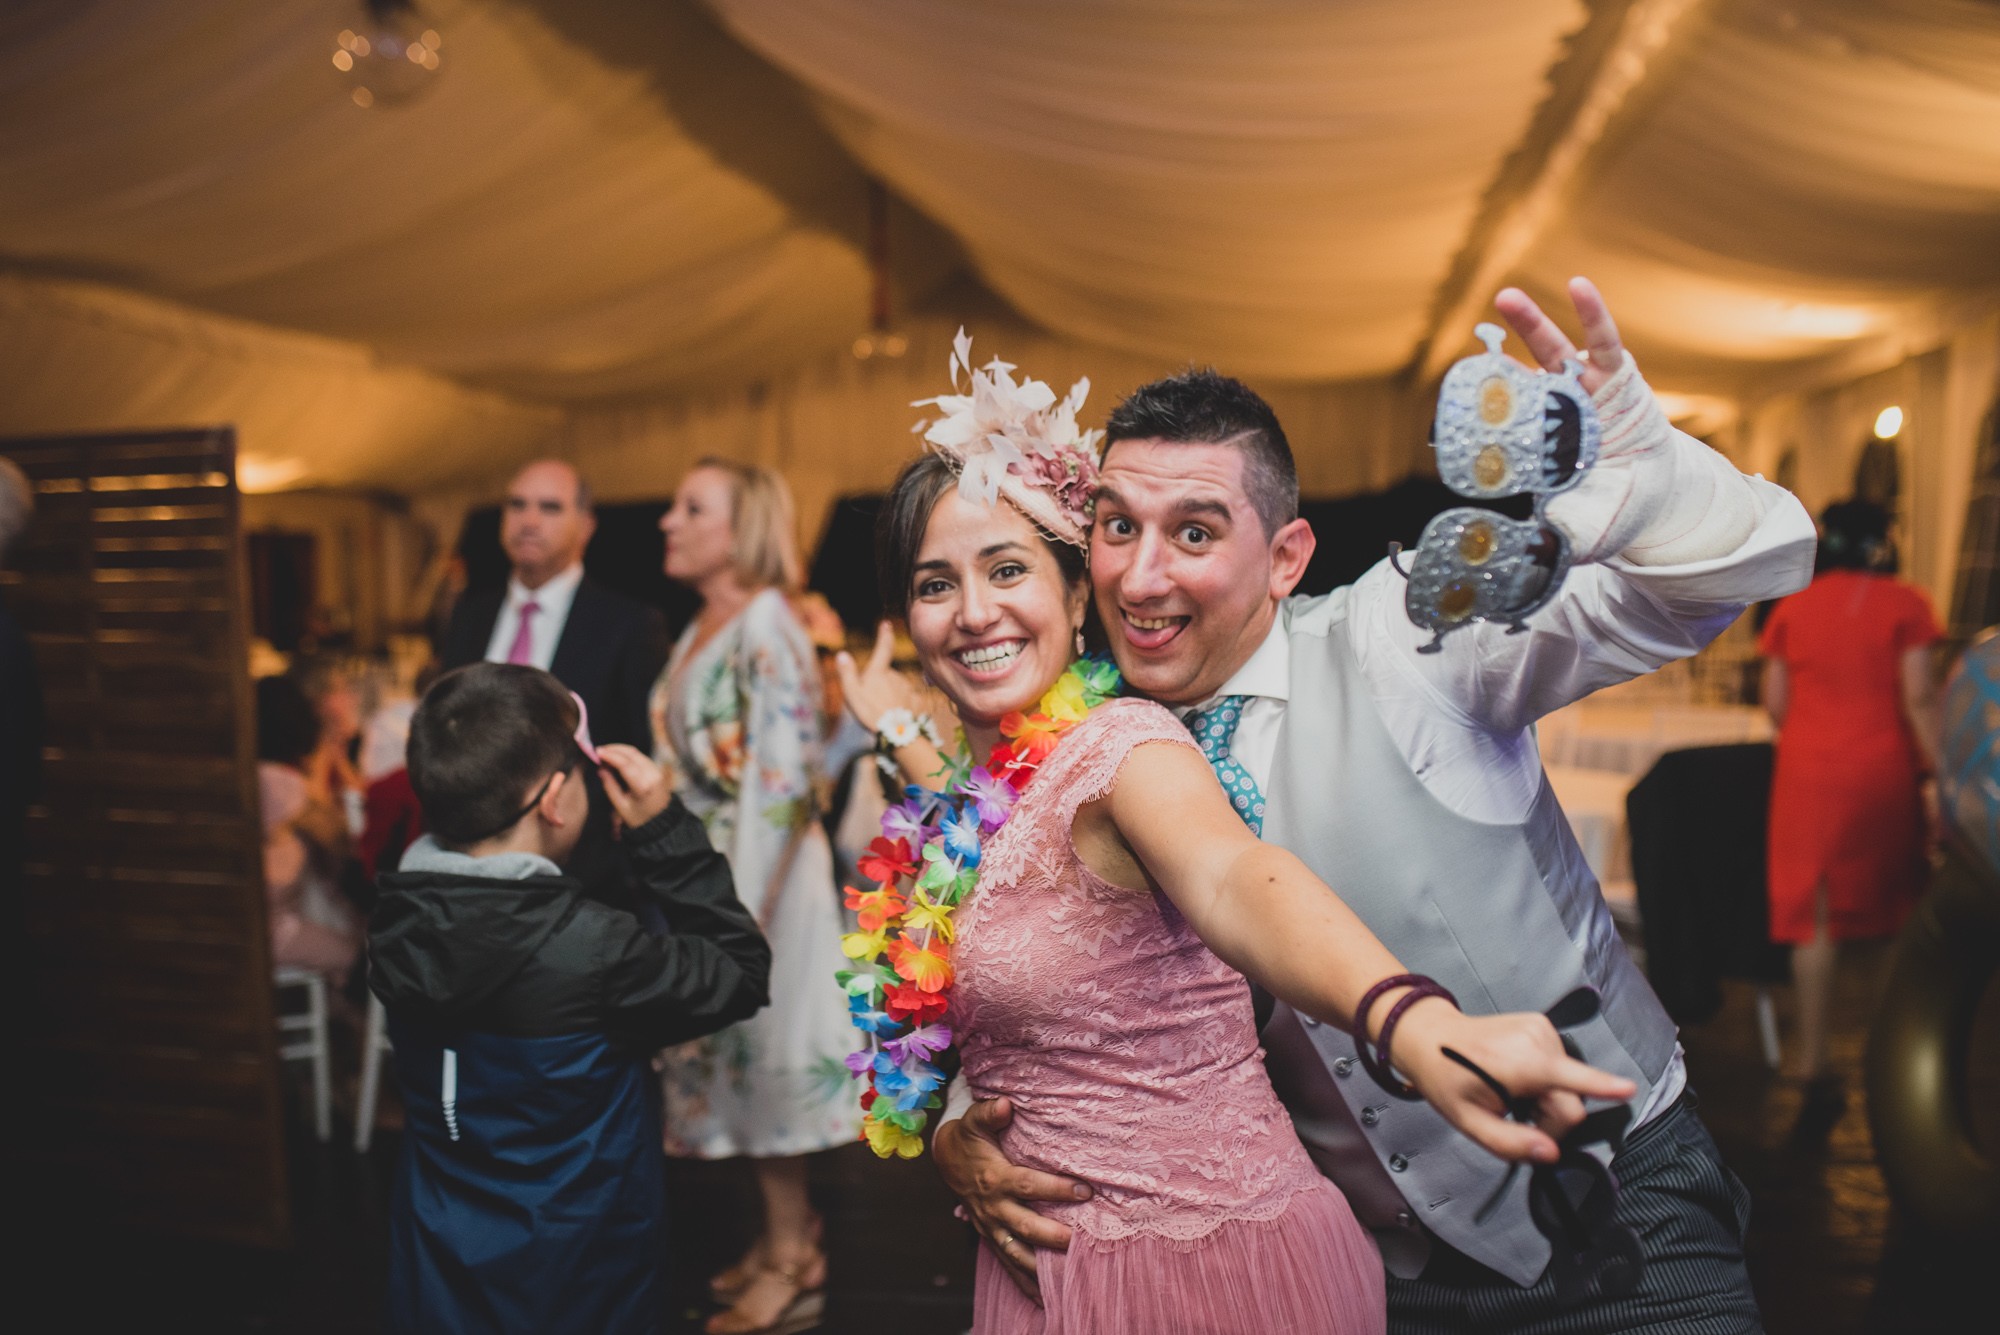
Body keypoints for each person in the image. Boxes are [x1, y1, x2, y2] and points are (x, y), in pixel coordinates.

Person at [860, 283, 1815, 1334]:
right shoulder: (1069, 752)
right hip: (1358, 1274)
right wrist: (964, 1120)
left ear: (1285, 558)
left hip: (1607, 1213)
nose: (1139, 574)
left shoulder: (1401, 639)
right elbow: (1038, 982)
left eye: (1191, 532)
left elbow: (1713, 583)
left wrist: (1651, 478)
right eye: (1115, 527)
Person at [370, 663, 770, 1335]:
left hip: (439, 1252)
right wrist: (664, 829)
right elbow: (739, 966)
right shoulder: (592, 949)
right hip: (580, 1266)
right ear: (555, 798)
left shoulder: (396, 918)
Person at [650, 459, 860, 1335]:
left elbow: (778, 785)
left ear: (740, 529)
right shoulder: (704, 622)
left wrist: (732, 922)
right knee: (733, 1068)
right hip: (708, 880)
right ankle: (782, 1239)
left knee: (768, 1070)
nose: (667, 520)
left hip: (761, 887)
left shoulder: (770, 621)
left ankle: (794, 1263)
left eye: (690, 507)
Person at [1759, 499, 1940, 1131]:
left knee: (1816, 920)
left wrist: (1815, 734)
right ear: (1883, 539)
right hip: (1879, 769)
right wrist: (1939, 776)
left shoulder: (1792, 606)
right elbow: (1918, 698)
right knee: (1891, 915)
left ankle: (1813, 1067)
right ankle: (1885, 1059)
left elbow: (1776, 703)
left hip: (1807, 774)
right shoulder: (1908, 605)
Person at [440, 459, 668, 750]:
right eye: (517, 505)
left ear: (585, 527)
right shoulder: (470, 615)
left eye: (550, 507)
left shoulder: (628, 626)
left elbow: (639, 746)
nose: (529, 522)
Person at [256, 675, 360, 983]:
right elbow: (339, 838)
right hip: (274, 931)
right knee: (360, 953)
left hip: (249, 926)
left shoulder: (251, 777)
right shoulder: (282, 785)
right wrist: (328, 757)